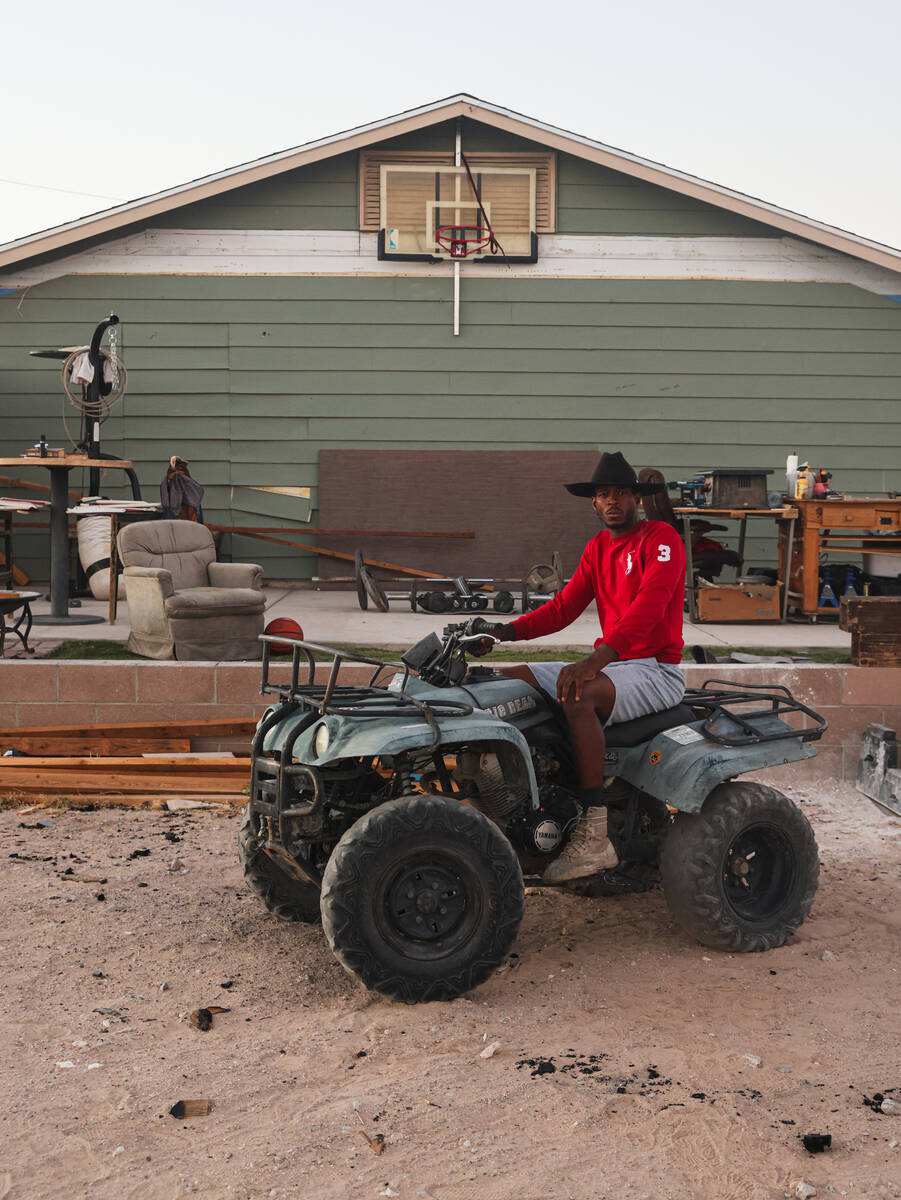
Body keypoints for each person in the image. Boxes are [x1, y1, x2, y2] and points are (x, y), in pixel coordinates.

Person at [478, 451, 687, 883]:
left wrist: (594, 661)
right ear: (593, 503)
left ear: (637, 500)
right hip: (615, 666)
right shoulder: (597, 549)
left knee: (578, 692)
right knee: (502, 682)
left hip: (654, 670)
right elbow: (562, 608)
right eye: (604, 494)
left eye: (622, 493)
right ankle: (504, 793)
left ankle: (594, 834)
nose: (613, 501)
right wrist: (502, 634)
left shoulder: (661, 539)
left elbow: (648, 608)